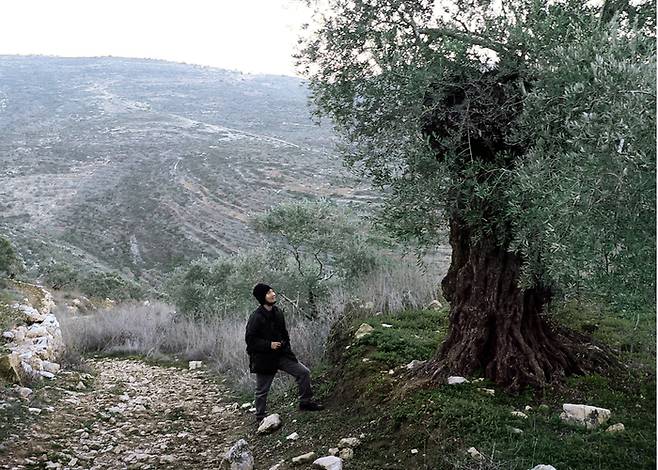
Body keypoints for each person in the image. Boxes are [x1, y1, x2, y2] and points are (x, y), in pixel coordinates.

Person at [245, 283, 324, 423]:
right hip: (264, 359)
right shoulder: (255, 317)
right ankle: (260, 416)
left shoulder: (278, 312)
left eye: (273, 291)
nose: (273, 294)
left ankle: (305, 402)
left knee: (303, 372)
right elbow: (250, 341)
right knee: (262, 390)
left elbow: (284, 333)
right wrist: (269, 345)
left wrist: (285, 345)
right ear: (262, 297)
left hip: (282, 355)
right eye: (269, 292)